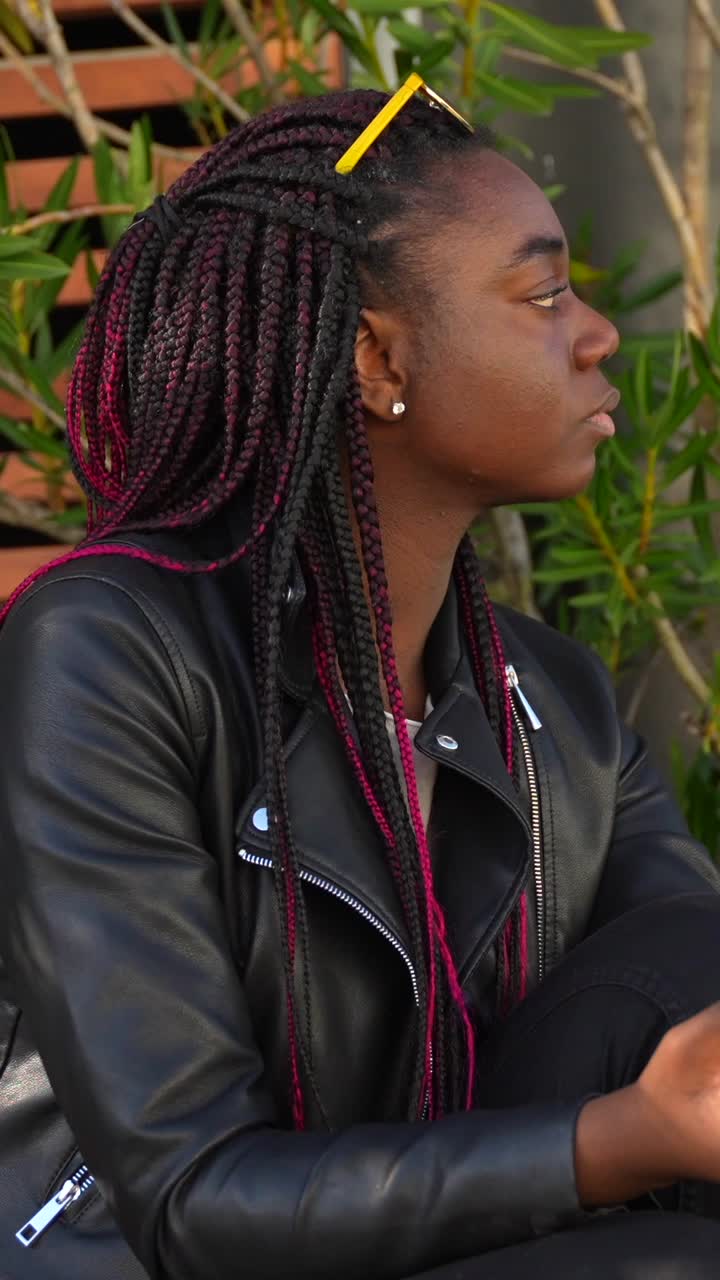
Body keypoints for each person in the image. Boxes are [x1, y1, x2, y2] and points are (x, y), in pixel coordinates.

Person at [2, 79, 720, 1280]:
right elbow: (190, 1200)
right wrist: (612, 1144)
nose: (598, 335)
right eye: (543, 294)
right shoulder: (110, 651)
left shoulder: (557, 711)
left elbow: (681, 979)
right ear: (376, 354)